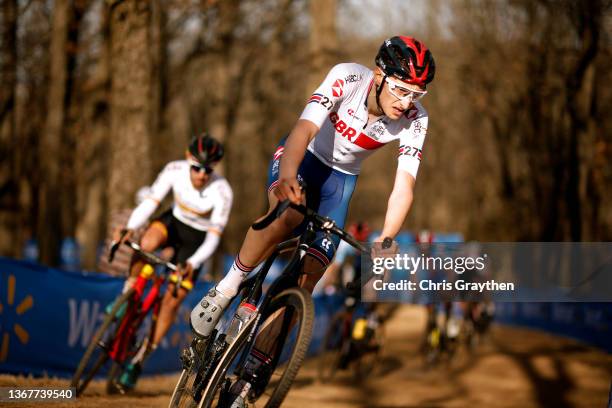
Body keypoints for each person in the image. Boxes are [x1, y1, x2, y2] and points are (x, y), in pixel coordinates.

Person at [191, 35, 435, 392]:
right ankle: (226, 289)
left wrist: (386, 238)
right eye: (400, 89)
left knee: (310, 274)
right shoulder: (349, 78)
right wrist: (288, 176)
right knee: (288, 215)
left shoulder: (415, 119)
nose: (407, 102)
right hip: (302, 158)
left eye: (417, 94)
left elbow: (404, 185)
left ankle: (250, 377)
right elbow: (304, 129)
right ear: (379, 75)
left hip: (340, 184)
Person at [112, 133, 233, 391]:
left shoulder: (223, 191)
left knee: (171, 302)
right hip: (173, 223)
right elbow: (151, 202)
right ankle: (129, 293)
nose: (201, 174)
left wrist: (193, 262)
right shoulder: (174, 170)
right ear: (189, 159)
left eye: (207, 170)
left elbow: (213, 239)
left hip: (196, 242)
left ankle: (138, 361)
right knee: (145, 244)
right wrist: (130, 227)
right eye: (197, 167)